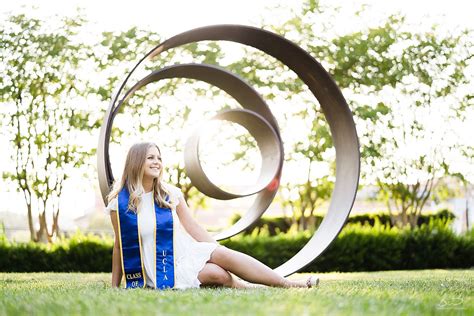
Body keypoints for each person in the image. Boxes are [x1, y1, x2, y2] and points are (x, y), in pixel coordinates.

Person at [106, 142, 319, 289]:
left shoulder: (170, 194)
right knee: (217, 275)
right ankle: (244, 286)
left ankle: (289, 283)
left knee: (225, 256)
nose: (157, 162)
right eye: (150, 157)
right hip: (162, 268)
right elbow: (119, 245)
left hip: (185, 252)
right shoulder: (120, 202)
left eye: (159, 158)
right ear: (136, 162)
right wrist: (115, 285)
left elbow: (193, 227)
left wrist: (216, 249)